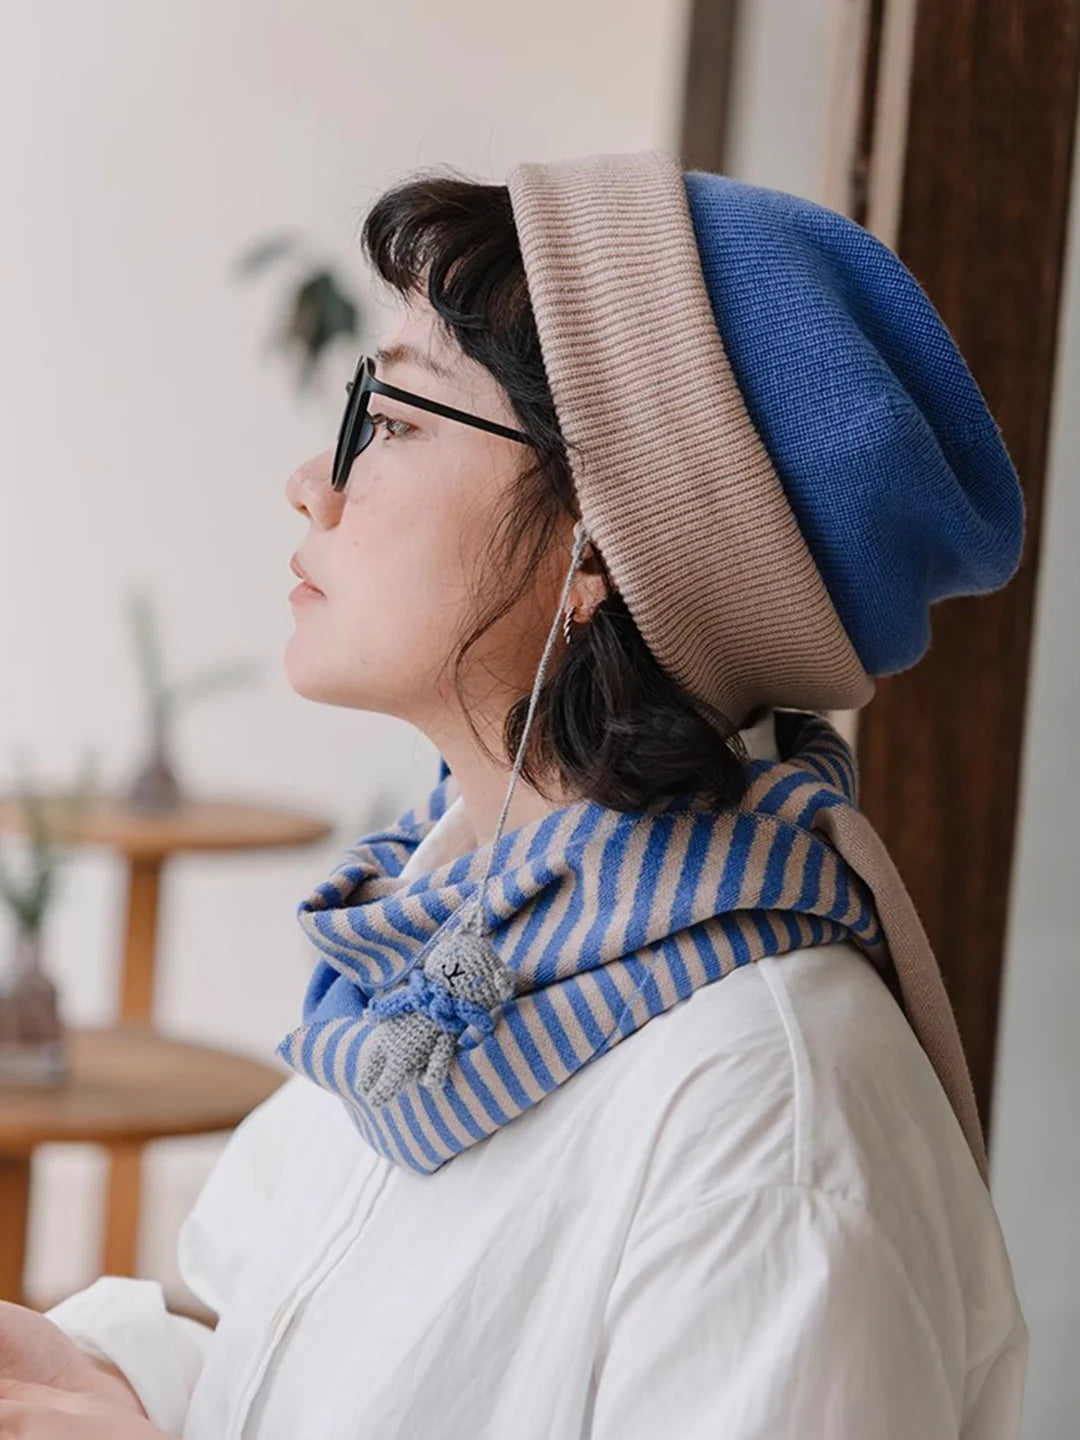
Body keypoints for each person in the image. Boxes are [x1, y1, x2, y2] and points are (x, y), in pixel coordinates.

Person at [0, 150, 1029, 1438]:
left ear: (603, 539)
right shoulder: (454, 933)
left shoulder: (768, 1121)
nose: (314, 482)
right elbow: (285, 1370)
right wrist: (107, 1384)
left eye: (394, 420)